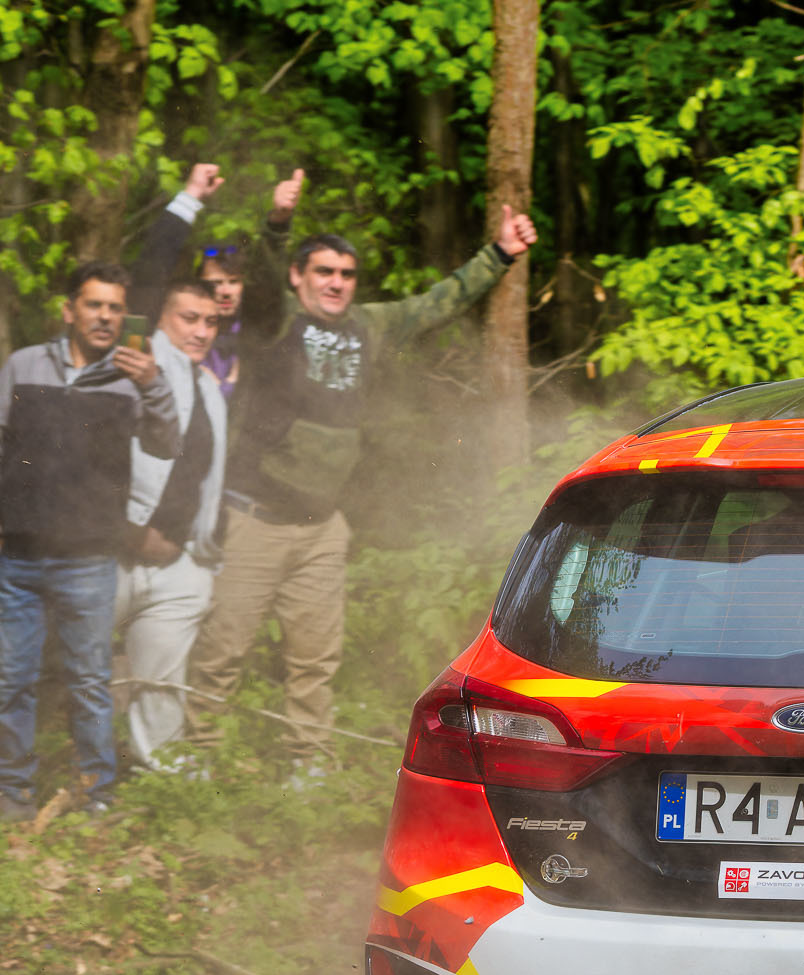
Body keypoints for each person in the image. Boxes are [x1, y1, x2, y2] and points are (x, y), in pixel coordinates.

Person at [183, 180, 540, 772]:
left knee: (315, 658)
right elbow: (264, 281)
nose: (336, 282)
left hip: (322, 526)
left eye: (346, 274)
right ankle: (198, 759)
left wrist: (500, 253)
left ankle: (309, 763)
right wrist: (276, 224)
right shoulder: (276, 319)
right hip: (256, 519)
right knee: (224, 648)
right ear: (299, 276)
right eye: (323, 271)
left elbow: (438, 302)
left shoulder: (369, 324)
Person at [0, 263, 180, 819]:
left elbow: (167, 443)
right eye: (94, 304)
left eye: (114, 307)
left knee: (88, 681)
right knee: (11, 678)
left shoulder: (132, 377)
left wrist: (154, 383)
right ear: (69, 310)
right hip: (18, 556)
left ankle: (96, 794)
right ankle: (12, 792)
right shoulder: (24, 365)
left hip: (89, 558)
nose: (105, 316)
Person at [113, 277, 229, 770]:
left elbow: (207, 479)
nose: (201, 332)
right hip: (110, 553)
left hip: (179, 562)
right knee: (53, 662)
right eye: (189, 318)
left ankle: (162, 778)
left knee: (160, 684)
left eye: (211, 322)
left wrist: (203, 556)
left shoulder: (209, 387)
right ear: (160, 317)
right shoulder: (131, 364)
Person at [131, 162, 250, 398]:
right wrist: (191, 196)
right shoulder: (148, 339)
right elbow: (151, 269)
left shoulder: (254, 333)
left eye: (233, 281)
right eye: (214, 284)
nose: (225, 291)